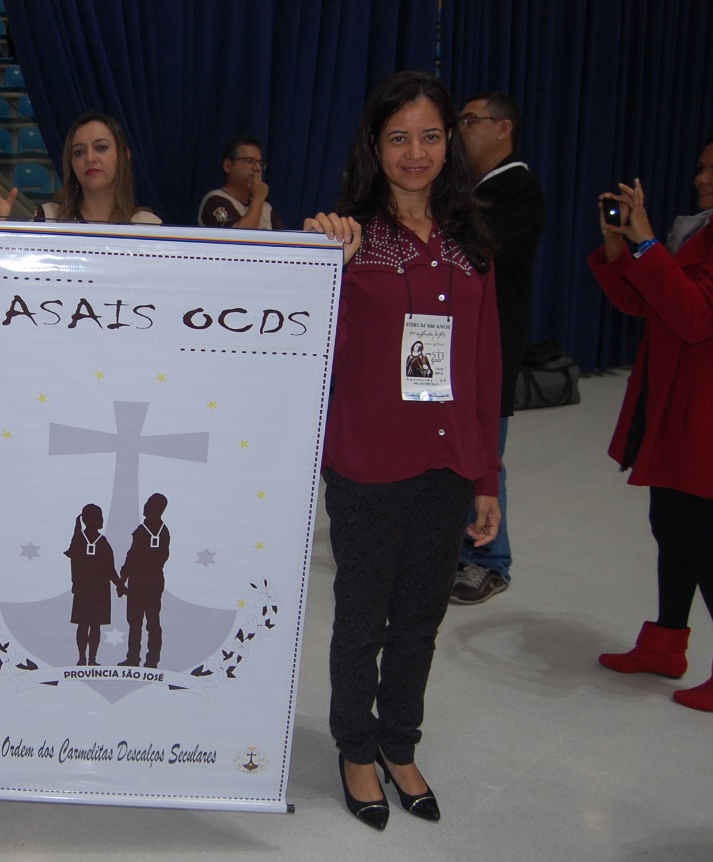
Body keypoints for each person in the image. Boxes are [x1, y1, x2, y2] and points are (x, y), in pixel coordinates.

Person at [305, 71, 501, 830]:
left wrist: (485, 476)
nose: (414, 153)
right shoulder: (348, 239)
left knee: (420, 619)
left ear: (449, 142)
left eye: (429, 136)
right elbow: (319, 353)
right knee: (363, 620)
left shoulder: (469, 241)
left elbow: (483, 368)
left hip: (447, 462)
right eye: (397, 138)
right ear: (374, 147)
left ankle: (398, 741)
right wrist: (324, 262)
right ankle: (356, 748)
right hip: (367, 463)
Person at [590, 129, 713, 713]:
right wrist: (622, 249)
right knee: (669, 521)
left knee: (694, 530)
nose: (703, 179)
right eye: (702, 167)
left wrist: (647, 244)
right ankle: (666, 643)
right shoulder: (699, 229)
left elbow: (696, 316)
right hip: (670, 394)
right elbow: (645, 304)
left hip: (705, 401)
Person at [451, 92, 546, 605]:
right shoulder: (469, 187)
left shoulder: (517, 188)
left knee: (485, 452)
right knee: (453, 447)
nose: (460, 130)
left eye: (470, 120)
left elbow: (479, 248)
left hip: (492, 345)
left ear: (503, 128)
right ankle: (458, 548)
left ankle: (490, 560)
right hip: (452, 343)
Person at [30, 111, 161, 225]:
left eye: (101, 148)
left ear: (124, 155)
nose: (90, 158)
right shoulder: (48, 218)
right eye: (79, 152)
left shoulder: (148, 225)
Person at [63, 503, 121, 666]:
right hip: (91, 591)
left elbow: (109, 569)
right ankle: (85, 658)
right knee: (88, 626)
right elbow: (109, 569)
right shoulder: (83, 540)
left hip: (92, 591)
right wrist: (120, 585)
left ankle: (89, 659)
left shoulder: (97, 541)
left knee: (90, 626)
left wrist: (120, 585)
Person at [118, 493, 169, 668]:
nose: (145, 507)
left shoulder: (143, 531)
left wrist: (123, 578)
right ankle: (149, 660)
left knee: (139, 623)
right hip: (154, 582)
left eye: (149, 504)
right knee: (148, 622)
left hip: (140, 583)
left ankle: (137, 659)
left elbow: (131, 557)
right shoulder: (163, 532)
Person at [197, 135, 286, 230]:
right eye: (249, 161)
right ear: (227, 166)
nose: (257, 168)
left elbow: (284, 237)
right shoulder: (215, 200)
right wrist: (257, 199)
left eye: (260, 163)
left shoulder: (266, 208)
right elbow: (238, 236)